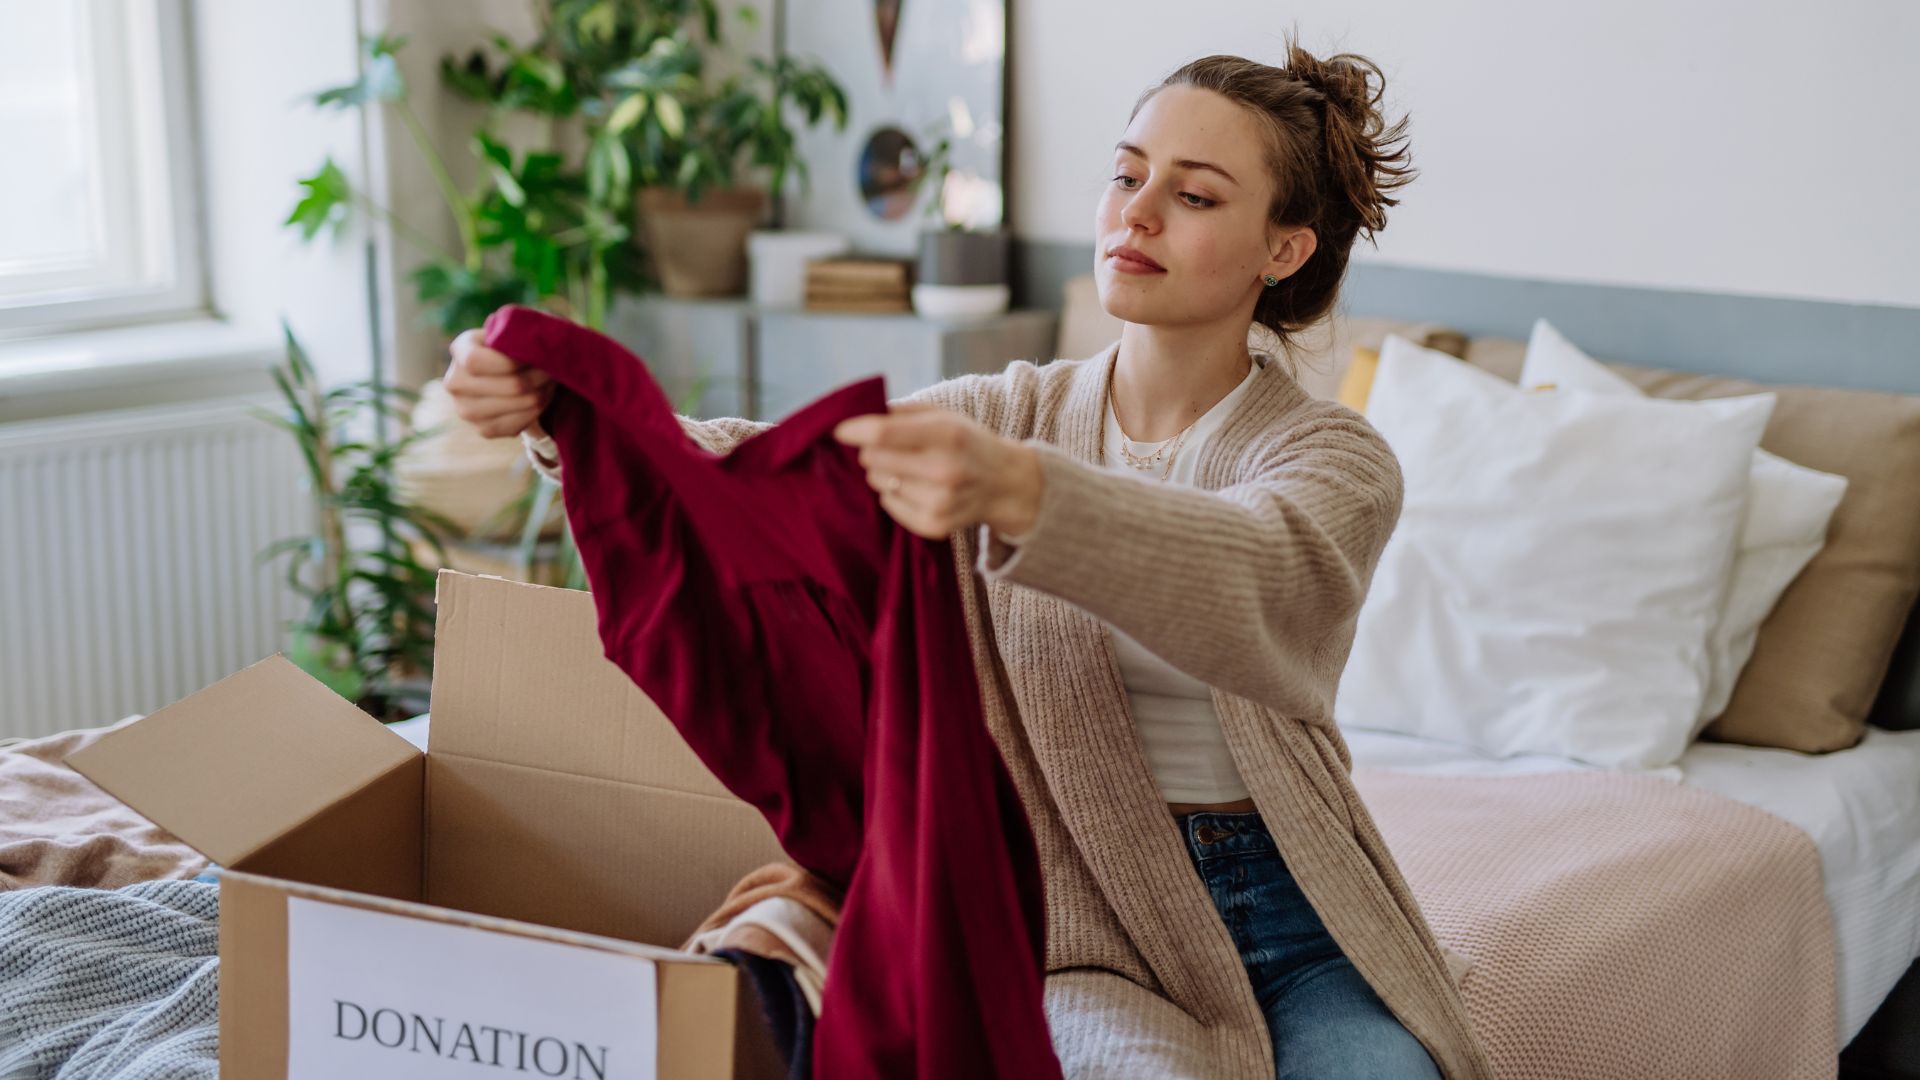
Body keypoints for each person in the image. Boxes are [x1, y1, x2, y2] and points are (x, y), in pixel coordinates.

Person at [446, 34, 1490, 1080]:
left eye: (1197, 196)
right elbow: (760, 475)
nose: (1137, 211)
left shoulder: (1331, 456)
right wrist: (562, 410)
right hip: (1075, 919)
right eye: (1127, 175)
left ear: (1285, 250)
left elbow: (1259, 576)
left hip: (1302, 922)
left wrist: (1030, 497)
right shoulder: (1004, 414)